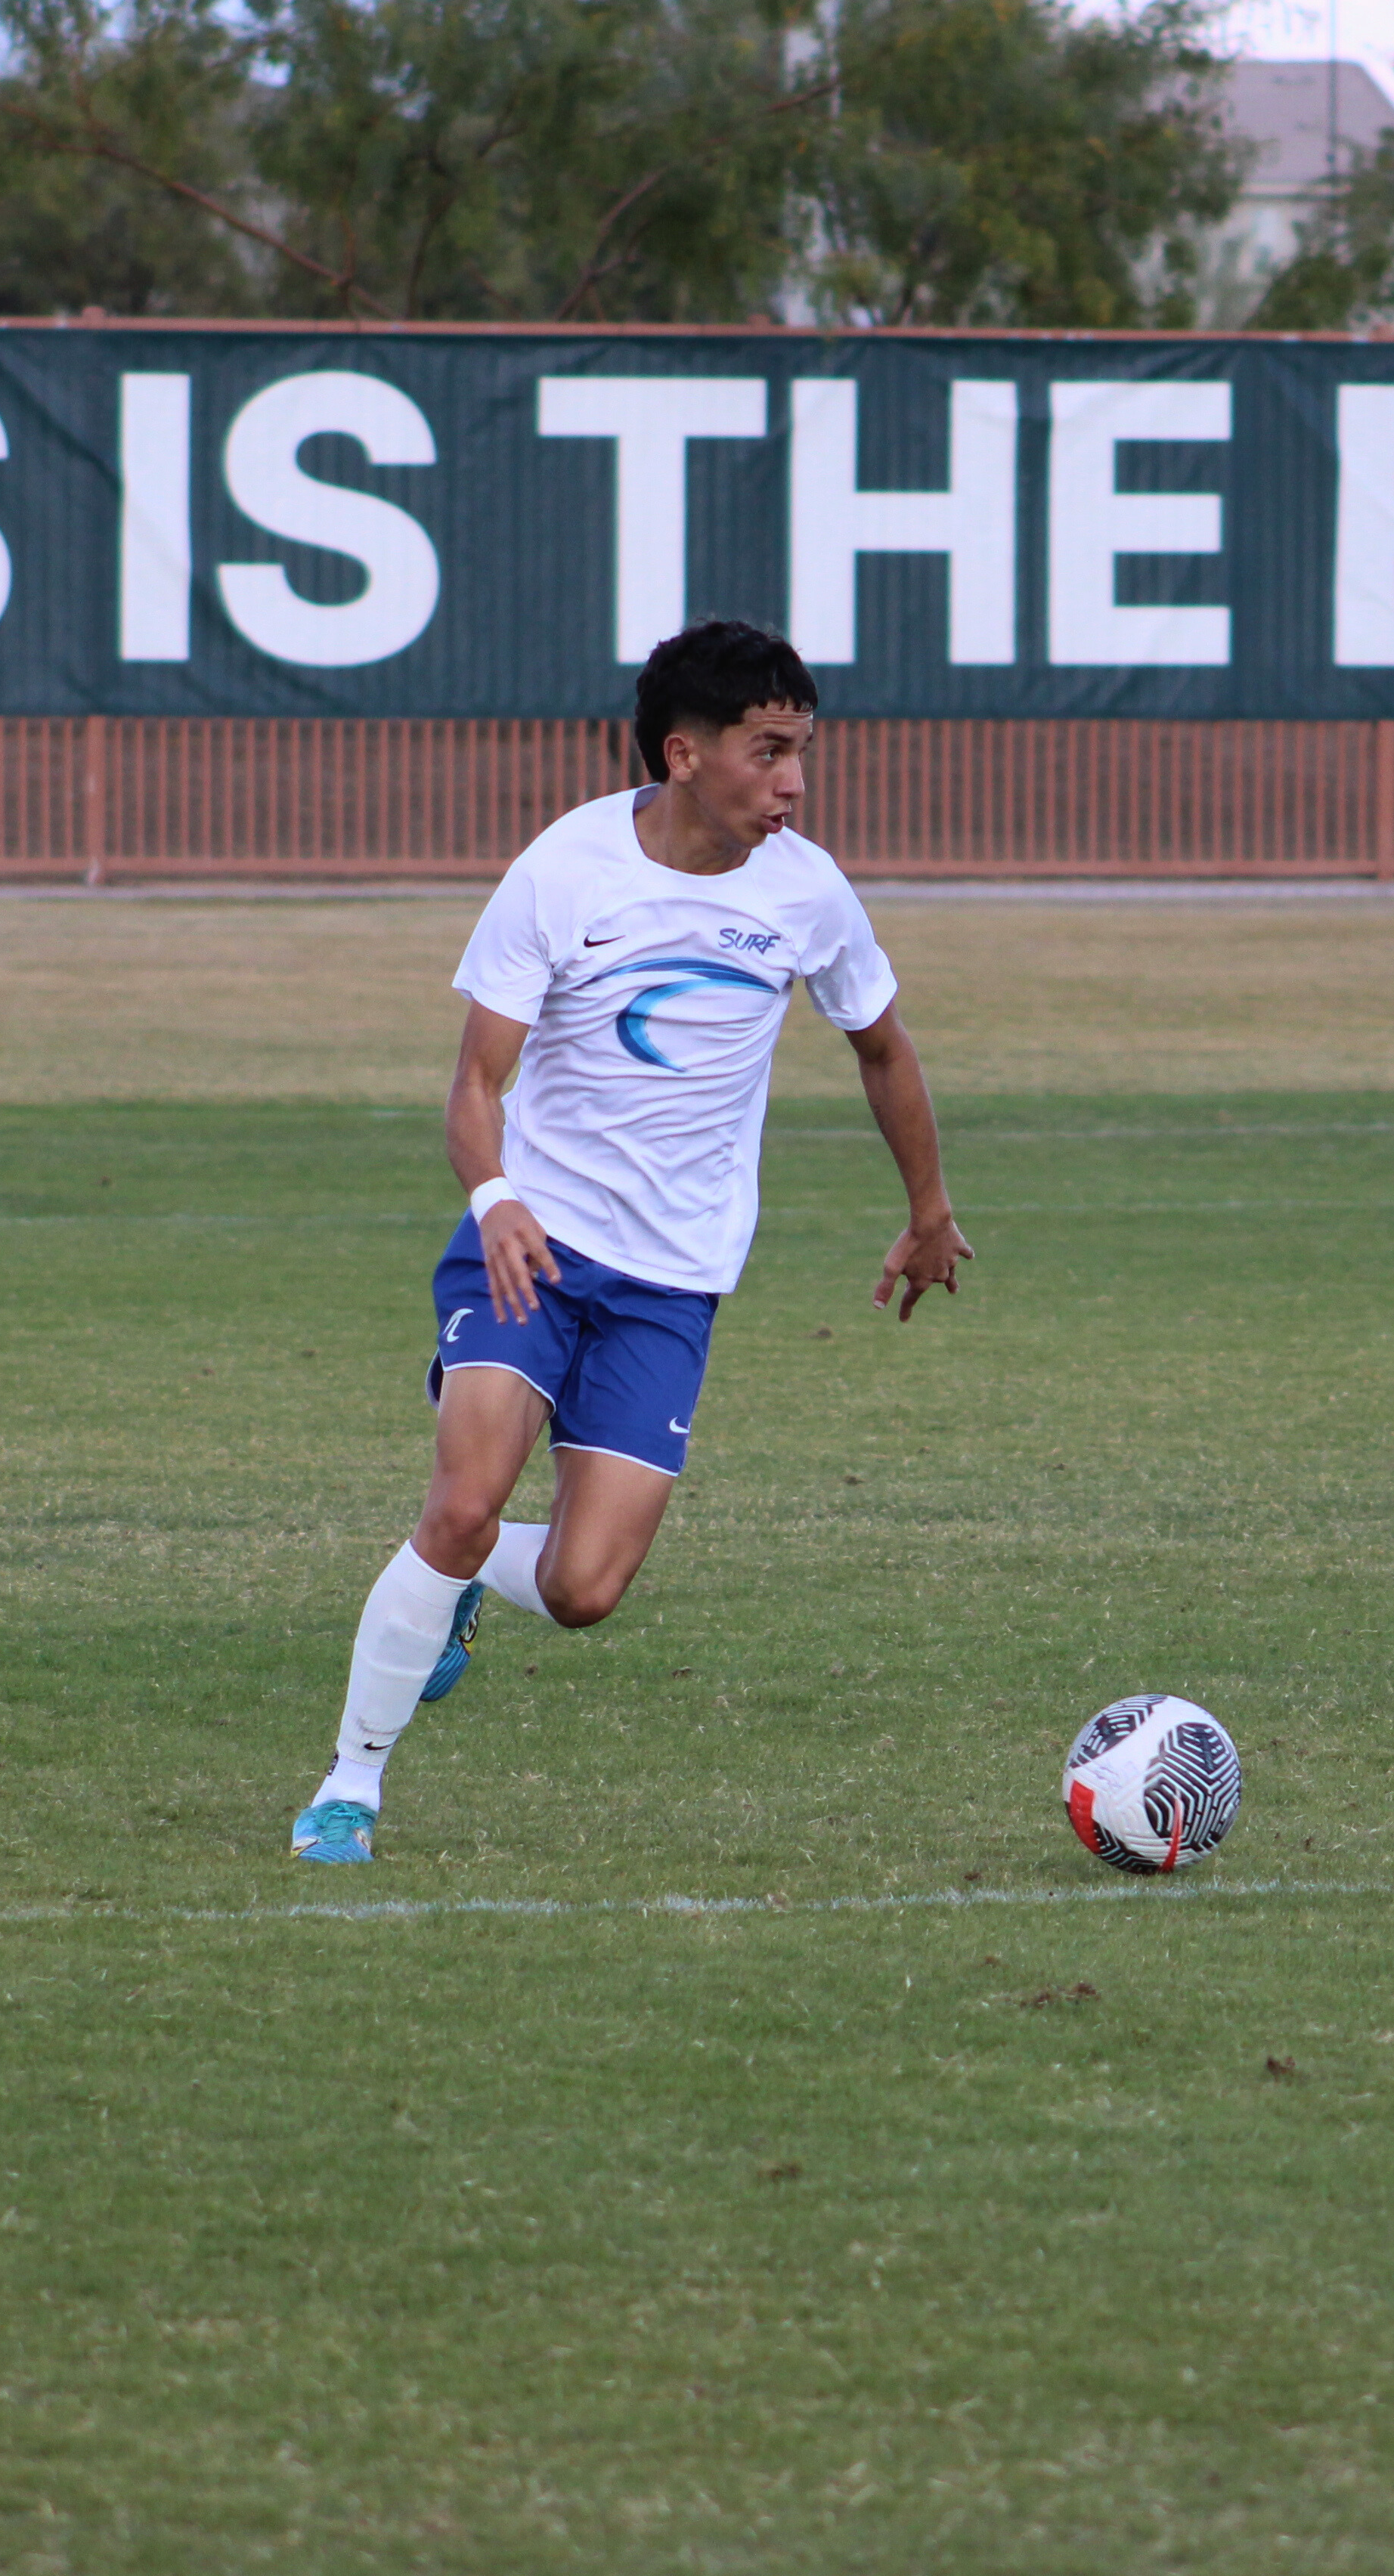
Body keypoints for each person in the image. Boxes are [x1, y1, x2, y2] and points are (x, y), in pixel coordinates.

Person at [287, 619, 973, 1864]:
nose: (795, 783)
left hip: (675, 1281)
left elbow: (882, 1047)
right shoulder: (565, 871)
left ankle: (460, 1596)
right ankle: (350, 1786)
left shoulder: (808, 891)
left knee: (587, 1591)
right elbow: (474, 1084)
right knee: (460, 1504)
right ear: (684, 753)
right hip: (532, 1248)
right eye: (769, 753)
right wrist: (495, 1197)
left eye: (802, 752)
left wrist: (929, 1212)